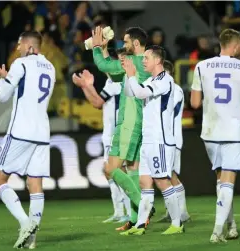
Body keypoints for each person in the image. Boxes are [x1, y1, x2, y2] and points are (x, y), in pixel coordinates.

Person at [80, 26, 154, 231]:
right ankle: (135, 220)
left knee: (110, 169)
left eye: (127, 42)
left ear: (136, 44)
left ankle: (144, 206)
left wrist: (96, 48)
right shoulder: (143, 64)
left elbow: (104, 65)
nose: (123, 45)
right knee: (132, 171)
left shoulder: (134, 61)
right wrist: (105, 49)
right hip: (140, 122)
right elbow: (113, 74)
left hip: (128, 123)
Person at [0, 31, 55, 249]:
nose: (17, 49)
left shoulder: (21, 64)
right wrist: (10, 78)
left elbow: (2, 96)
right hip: (42, 133)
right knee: (35, 184)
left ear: (29, 47)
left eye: (19, 45)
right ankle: (32, 240)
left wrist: (2, 79)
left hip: (20, 131)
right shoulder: (51, 67)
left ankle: (25, 222)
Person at [190, 28, 240, 243]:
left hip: (210, 131)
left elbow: (195, 103)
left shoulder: (201, 66)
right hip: (233, 130)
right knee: (228, 180)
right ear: (236, 46)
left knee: (221, 180)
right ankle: (217, 231)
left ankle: (231, 224)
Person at [118, 45, 185, 236]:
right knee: (144, 182)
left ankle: (177, 223)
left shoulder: (165, 80)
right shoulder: (150, 79)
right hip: (148, 140)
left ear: (157, 60)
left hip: (160, 140)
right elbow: (131, 93)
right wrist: (127, 74)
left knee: (162, 181)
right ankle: (140, 225)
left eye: (147, 58)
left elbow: (139, 93)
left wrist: (132, 75)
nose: (143, 61)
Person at [73, 47, 131, 223]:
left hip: (117, 133)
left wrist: (86, 86)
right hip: (110, 133)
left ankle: (129, 211)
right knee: (110, 172)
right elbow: (97, 102)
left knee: (119, 172)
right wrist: (87, 86)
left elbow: (97, 102)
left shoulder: (118, 82)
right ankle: (119, 211)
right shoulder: (111, 82)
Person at [156, 60, 190, 224]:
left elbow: (168, 113)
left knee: (172, 175)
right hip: (165, 138)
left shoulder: (175, 90)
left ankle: (182, 213)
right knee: (166, 175)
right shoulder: (166, 89)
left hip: (173, 139)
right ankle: (173, 211)